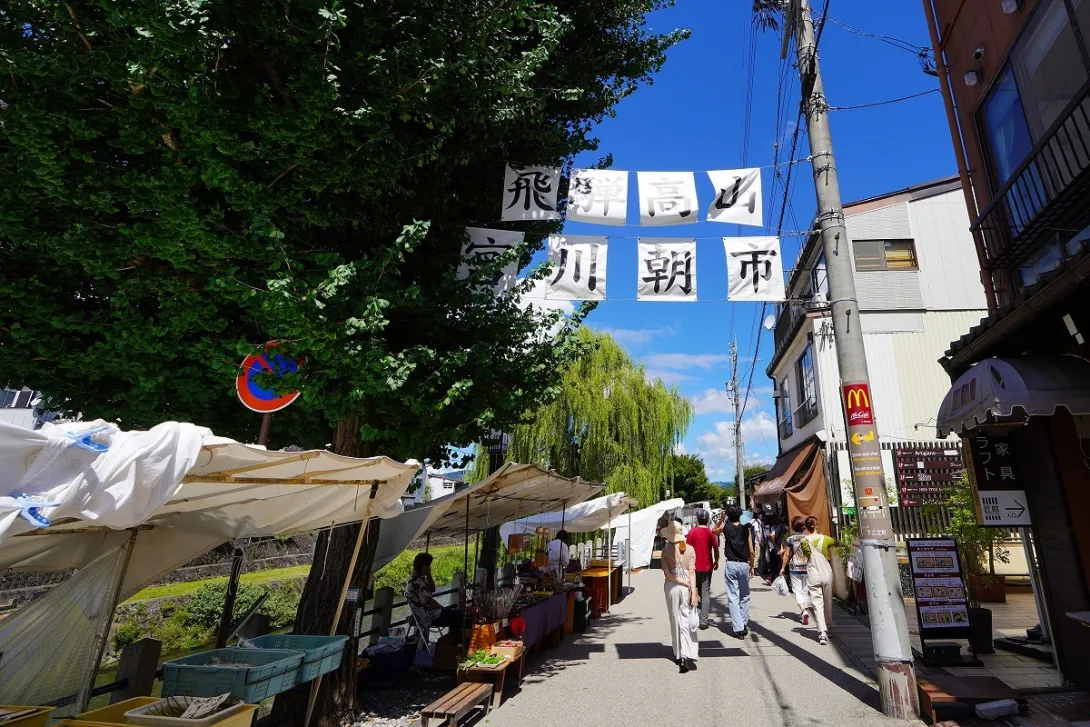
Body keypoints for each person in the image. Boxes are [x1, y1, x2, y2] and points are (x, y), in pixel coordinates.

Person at [661, 520, 698, 673]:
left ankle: (677, 653)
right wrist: (693, 591)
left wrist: (680, 581)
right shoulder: (689, 549)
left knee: (674, 619)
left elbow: (667, 574)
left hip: (671, 587)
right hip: (686, 588)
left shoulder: (665, 551)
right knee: (685, 620)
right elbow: (692, 572)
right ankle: (685, 654)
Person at [715, 506, 754, 639]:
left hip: (731, 563)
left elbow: (714, 531)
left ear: (728, 516)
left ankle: (738, 628)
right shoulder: (746, 529)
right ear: (740, 516)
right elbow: (752, 550)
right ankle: (744, 623)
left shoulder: (726, 528)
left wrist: (721, 520)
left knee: (733, 596)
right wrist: (752, 566)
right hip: (744, 564)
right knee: (745, 595)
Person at [405, 553, 460, 639]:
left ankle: (451, 641)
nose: (430, 568)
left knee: (455, 615)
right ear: (424, 567)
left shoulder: (419, 579)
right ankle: (453, 642)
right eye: (428, 566)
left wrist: (429, 575)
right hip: (427, 616)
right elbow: (428, 600)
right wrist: (443, 608)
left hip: (425, 614)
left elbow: (432, 589)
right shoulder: (417, 582)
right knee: (457, 616)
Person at [804, 516, 836, 645]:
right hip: (826, 572)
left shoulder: (804, 541)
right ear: (817, 525)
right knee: (828, 601)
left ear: (806, 527)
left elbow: (807, 555)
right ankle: (829, 626)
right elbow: (838, 543)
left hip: (813, 573)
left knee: (817, 603)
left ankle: (821, 632)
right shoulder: (826, 539)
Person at [685, 508, 719, 630]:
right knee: (705, 594)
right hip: (707, 566)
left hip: (693, 567)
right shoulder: (710, 533)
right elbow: (715, 548)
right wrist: (717, 561)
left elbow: (687, 549)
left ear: (697, 519)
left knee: (692, 590)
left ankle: (693, 616)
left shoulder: (692, 532)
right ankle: (703, 621)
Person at [780, 516, 811, 625]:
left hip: (795, 568)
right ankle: (805, 609)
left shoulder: (790, 538)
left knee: (797, 590)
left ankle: (803, 611)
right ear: (803, 526)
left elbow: (787, 555)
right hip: (807, 567)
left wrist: (783, 567)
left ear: (793, 526)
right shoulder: (808, 538)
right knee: (805, 590)